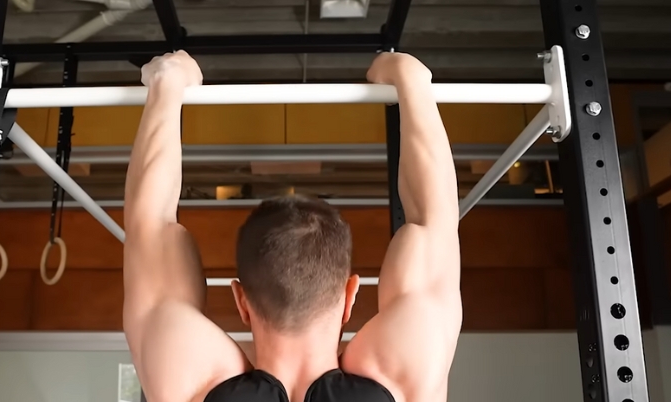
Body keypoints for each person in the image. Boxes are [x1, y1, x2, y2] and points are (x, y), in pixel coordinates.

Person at [122, 51, 462, 402]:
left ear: (241, 301)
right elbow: (431, 221)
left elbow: (152, 226)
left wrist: (170, 80)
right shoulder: (405, 376)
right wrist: (408, 78)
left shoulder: (191, 379)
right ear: (349, 296)